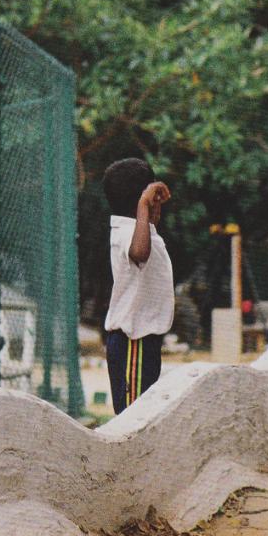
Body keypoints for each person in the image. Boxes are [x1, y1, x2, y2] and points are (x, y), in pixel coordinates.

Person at [102, 157, 174, 414]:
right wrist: (144, 205)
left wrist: (149, 215)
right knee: (133, 416)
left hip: (144, 341)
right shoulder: (124, 232)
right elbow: (140, 253)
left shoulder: (140, 231)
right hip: (132, 340)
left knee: (143, 416)